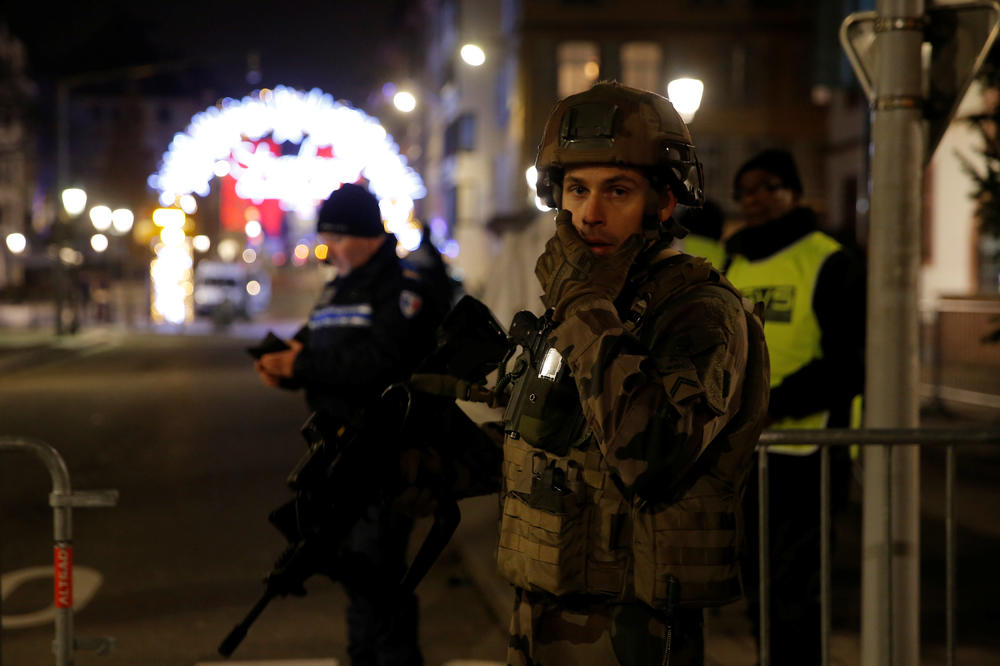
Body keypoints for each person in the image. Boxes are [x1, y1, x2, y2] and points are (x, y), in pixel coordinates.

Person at [412, 81, 769, 666]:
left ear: (664, 202)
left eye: (617, 191)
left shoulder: (700, 311)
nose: (590, 214)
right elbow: (552, 437)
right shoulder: (589, 303)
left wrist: (580, 302)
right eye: (576, 189)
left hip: (632, 627)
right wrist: (428, 463)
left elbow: (651, 454)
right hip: (545, 607)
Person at [254, 182, 449, 666]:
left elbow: (379, 364)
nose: (330, 250)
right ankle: (364, 656)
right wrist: (285, 363)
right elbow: (316, 345)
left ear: (366, 236)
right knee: (359, 577)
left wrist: (301, 367)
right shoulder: (340, 285)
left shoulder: (402, 288)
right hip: (335, 450)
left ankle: (387, 659)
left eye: (336, 239)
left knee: (378, 576)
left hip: (382, 453)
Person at [724, 149, 866, 665]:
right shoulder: (733, 262)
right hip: (745, 454)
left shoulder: (830, 261)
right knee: (756, 583)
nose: (754, 199)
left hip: (807, 454)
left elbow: (850, 364)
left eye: (767, 186)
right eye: (744, 190)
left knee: (796, 593)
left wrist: (771, 406)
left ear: (794, 193)